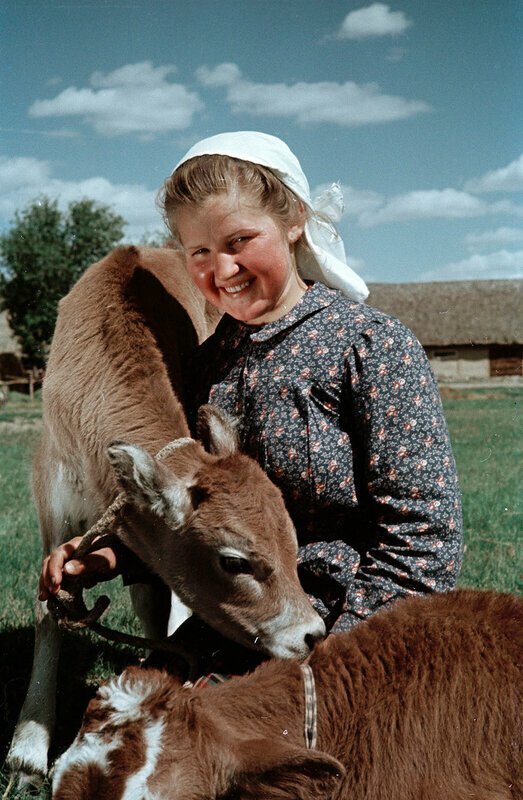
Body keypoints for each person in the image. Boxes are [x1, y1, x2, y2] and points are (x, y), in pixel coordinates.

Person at [40, 131, 463, 639]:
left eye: (239, 241)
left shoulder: (371, 347)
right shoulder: (207, 366)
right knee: (123, 718)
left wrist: (334, 663)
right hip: (247, 622)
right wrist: (108, 559)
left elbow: (425, 539)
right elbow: (207, 523)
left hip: (358, 633)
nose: (221, 269)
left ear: (293, 222)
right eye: (198, 251)